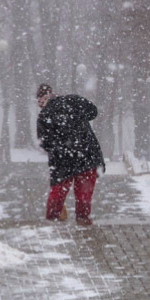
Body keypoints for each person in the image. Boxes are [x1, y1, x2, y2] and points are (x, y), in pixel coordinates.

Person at [35, 83, 105, 226]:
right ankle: (83, 219)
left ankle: (52, 221)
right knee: (84, 193)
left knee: (58, 192)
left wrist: (60, 146)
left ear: (41, 99)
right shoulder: (73, 100)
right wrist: (77, 121)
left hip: (62, 159)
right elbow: (93, 111)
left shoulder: (44, 115)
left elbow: (44, 143)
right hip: (87, 154)